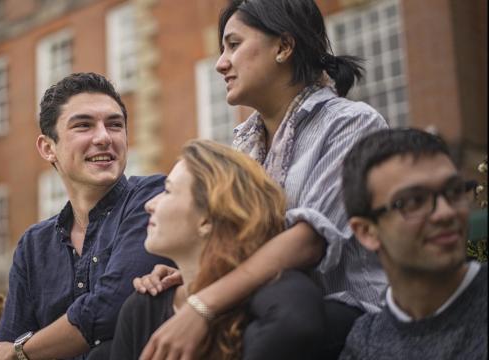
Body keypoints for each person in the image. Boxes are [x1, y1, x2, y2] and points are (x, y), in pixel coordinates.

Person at [134, 0, 389, 359]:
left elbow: (307, 242)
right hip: (265, 306)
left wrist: (202, 303)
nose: (221, 63)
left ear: (284, 47)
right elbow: (235, 240)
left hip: (348, 317)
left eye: (234, 45)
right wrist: (190, 271)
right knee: (144, 314)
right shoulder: (243, 144)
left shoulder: (351, 123)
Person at [0, 72, 174, 360]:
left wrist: (21, 352)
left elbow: (113, 306)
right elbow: (3, 347)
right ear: (48, 148)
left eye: (115, 125)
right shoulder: (33, 246)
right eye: (83, 126)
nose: (103, 137)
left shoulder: (152, 198)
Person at [110, 139, 286, 360]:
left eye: (167, 191)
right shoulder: (142, 308)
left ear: (207, 220)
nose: (149, 204)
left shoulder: (269, 303)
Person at [339, 128, 487, 359]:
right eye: (414, 201)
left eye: (454, 191)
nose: (445, 213)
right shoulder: (365, 344)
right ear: (367, 231)